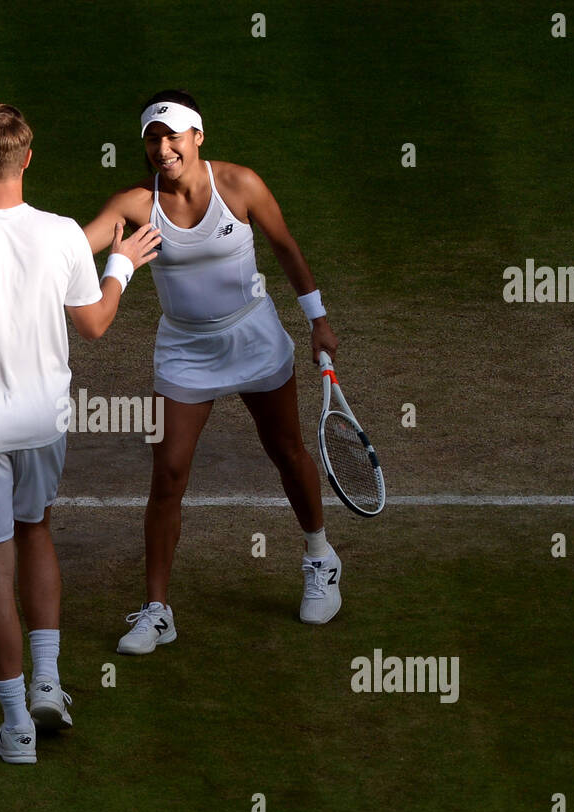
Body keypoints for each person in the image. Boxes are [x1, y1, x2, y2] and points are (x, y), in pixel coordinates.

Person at [0, 104, 160, 762]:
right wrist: (122, 263)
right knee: (36, 528)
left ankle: (17, 725)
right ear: (27, 159)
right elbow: (96, 323)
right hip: (43, 421)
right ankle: (48, 682)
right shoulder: (66, 234)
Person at [82, 90, 343, 655]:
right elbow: (79, 246)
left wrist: (318, 322)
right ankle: (157, 612)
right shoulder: (134, 204)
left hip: (255, 337)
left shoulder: (241, 185)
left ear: (198, 136)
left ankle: (320, 558)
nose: (163, 146)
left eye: (173, 134)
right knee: (169, 472)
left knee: (287, 450)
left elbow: (286, 249)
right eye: (153, 137)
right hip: (184, 350)